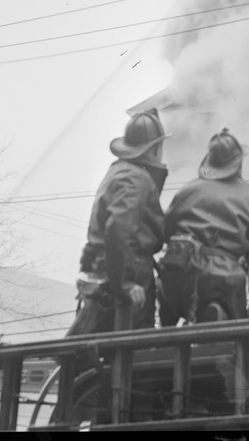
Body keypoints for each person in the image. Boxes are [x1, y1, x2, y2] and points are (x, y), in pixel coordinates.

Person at [68, 108, 170, 337]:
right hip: (128, 273)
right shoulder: (135, 178)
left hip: (109, 270)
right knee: (133, 346)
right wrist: (125, 284)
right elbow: (119, 229)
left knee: (96, 344)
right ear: (154, 148)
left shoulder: (119, 171)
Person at [159, 128, 249, 323]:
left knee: (168, 309)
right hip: (223, 280)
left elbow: (166, 231)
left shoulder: (187, 191)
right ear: (239, 164)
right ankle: (218, 315)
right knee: (238, 335)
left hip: (178, 272)